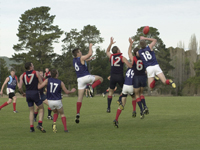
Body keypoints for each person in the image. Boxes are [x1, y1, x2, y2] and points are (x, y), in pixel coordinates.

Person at [72, 43, 103, 123]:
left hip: (79, 80)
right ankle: (92, 87)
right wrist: (90, 47)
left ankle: (78, 113)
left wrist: (89, 59)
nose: (81, 52)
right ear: (78, 53)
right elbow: (90, 54)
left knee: (80, 98)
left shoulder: (74, 60)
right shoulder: (81, 57)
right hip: (86, 77)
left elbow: (83, 61)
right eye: (80, 51)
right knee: (101, 79)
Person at [106, 37, 132, 113]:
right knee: (124, 91)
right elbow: (129, 66)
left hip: (113, 77)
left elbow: (107, 51)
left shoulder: (111, 56)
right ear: (118, 50)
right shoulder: (122, 58)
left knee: (110, 92)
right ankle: (120, 99)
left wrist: (110, 43)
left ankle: (108, 107)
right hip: (120, 76)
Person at [18, 62, 46, 133]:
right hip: (35, 93)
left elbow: (20, 87)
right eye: (32, 65)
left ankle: (31, 128)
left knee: (31, 111)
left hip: (28, 93)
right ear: (30, 67)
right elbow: (41, 83)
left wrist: (23, 93)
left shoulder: (22, 75)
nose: (33, 66)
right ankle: (39, 124)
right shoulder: (36, 72)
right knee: (41, 108)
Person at [128, 38, 148, 118]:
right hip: (143, 76)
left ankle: (141, 109)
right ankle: (145, 106)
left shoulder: (134, 58)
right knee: (141, 93)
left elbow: (129, 52)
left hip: (136, 77)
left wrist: (130, 44)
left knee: (136, 95)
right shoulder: (143, 58)